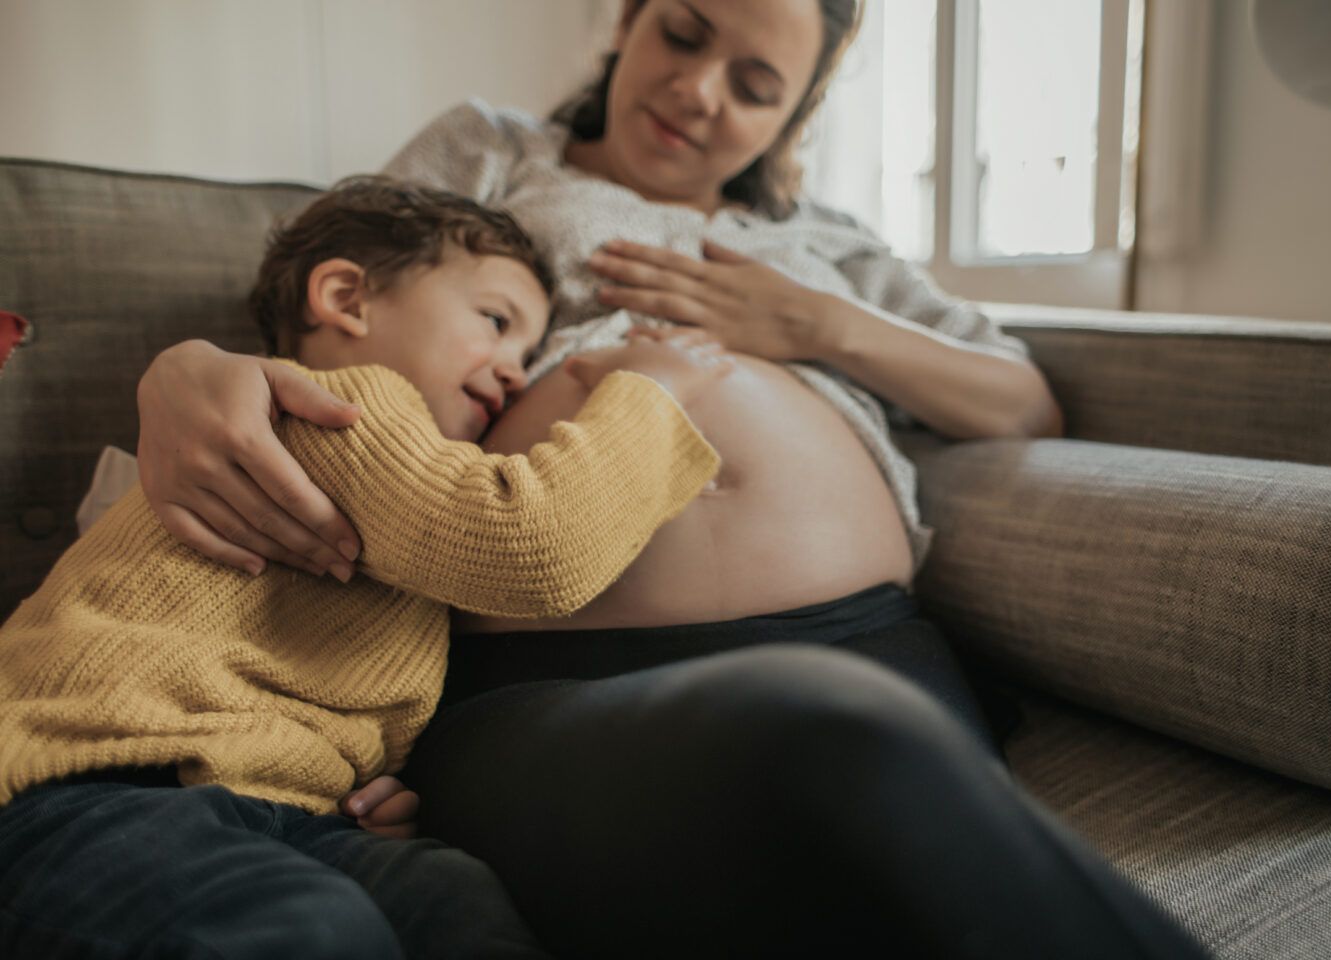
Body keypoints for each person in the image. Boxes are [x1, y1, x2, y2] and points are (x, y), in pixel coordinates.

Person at [133, 1, 1213, 957]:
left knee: (859, 788)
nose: (698, 96)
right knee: (832, 737)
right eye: (684, 34)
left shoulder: (828, 243)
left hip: (867, 636)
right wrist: (188, 371)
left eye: (755, 86)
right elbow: (330, 293)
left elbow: (1023, 403)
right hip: (542, 678)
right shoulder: (502, 152)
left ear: (792, 120)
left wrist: (817, 323)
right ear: (628, 20)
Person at [0, 176, 736, 960]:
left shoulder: (401, 494)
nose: (517, 371)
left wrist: (360, 779)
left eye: (528, 351)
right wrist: (655, 391)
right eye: (494, 321)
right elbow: (528, 549)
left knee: (453, 907)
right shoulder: (338, 403)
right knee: (307, 933)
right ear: (347, 298)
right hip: (89, 785)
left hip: (282, 815)